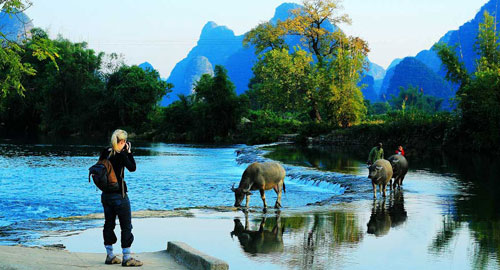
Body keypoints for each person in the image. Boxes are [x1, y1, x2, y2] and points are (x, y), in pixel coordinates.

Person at [98, 129, 142, 267]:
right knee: (126, 226)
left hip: (105, 195)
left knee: (108, 224)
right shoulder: (122, 155)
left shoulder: (105, 152)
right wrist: (129, 152)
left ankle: (110, 255)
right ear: (122, 141)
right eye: (124, 142)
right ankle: (127, 257)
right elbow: (133, 168)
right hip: (119, 195)